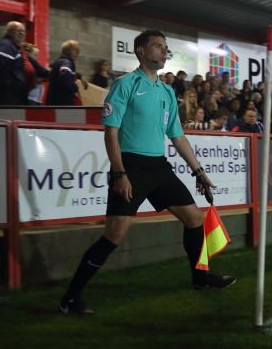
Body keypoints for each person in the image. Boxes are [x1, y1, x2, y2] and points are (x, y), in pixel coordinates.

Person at [58, 30, 235, 316]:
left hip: (159, 167)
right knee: (114, 235)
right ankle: (70, 298)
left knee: (194, 219)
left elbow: (177, 137)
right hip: (131, 167)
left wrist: (198, 171)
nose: (164, 52)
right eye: (158, 47)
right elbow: (110, 133)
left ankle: (200, 277)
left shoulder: (166, 91)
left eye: (166, 48)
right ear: (140, 51)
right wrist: (119, 173)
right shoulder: (125, 84)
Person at [0, 21, 48, 106]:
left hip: (19, 95)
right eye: (18, 31)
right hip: (8, 96)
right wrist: (15, 87)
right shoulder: (5, 46)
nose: (22, 33)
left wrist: (48, 73)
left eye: (23, 31)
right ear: (10, 31)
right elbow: (1, 72)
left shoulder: (18, 49)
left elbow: (34, 65)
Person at [47, 39, 88, 106]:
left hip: (54, 103)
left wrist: (80, 76)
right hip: (63, 104)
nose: (78, 52)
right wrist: (75, 89)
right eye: (75, 50)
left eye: (78, 50)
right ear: (66, 50)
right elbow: (65, 78)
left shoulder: (59, 61)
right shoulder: (66, 62)